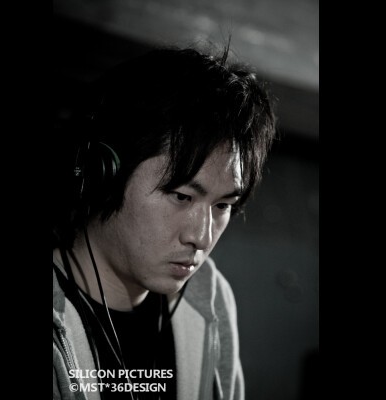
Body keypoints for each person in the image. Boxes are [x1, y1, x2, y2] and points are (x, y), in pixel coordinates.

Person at [52, 45, 276, 400]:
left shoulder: (209, 296)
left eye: (223, 205)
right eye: (182, 197)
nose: (201, 237)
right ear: (102, 175)